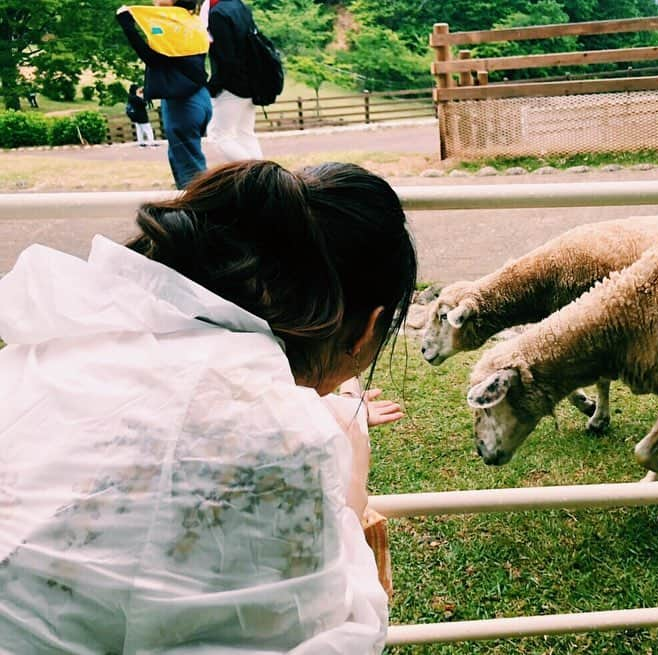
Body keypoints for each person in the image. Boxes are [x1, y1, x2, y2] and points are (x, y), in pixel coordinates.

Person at [0, 160, 418, 653]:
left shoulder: (57, 344)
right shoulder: (286, 437)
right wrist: (349, 491)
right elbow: (321, 637)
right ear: (369, 326)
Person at [117, 0, 212, 189]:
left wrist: (127, 25)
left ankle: (199, 213)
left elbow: (153, 59)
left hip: (183, 103)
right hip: (200, 97)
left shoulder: (171, 25)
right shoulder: (191, 21)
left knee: (190, 171)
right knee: (185, 158)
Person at [206, 0, 264, 161]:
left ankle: (252, 175)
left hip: (231, 85)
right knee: (245, 133)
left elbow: (226, 57)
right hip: (251, 80)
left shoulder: (217, 13)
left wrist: (213, 86)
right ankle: (263, 177)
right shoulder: (239, 6)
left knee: (218, 135)